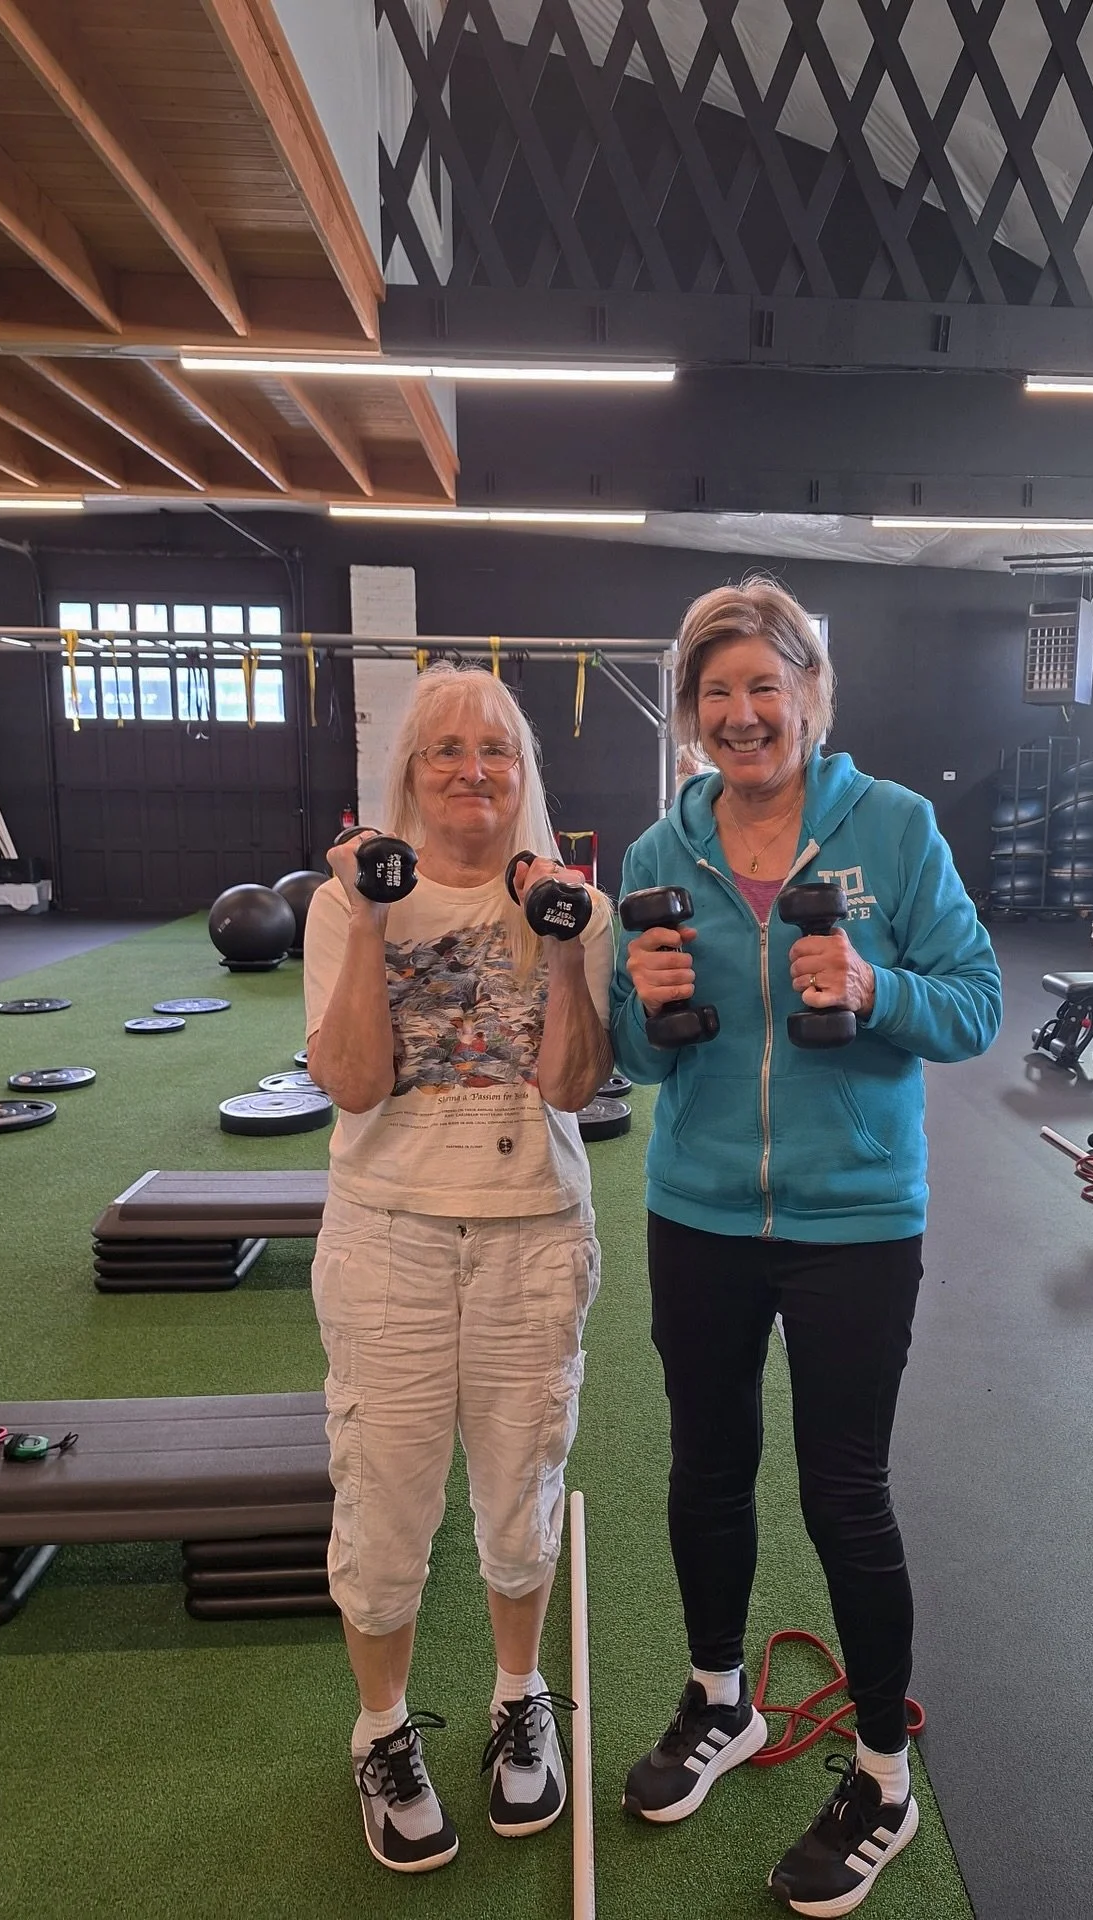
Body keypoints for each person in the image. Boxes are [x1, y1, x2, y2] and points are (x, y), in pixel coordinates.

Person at [610, 579, 1002, 1917]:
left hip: (855, 1219)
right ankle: (721, 1699)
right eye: (715, 693)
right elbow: (620, 1054)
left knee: (844, 1490)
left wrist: (879, 989)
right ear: (690, 715)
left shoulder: (894, 830)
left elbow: (979, 1004)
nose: (742, 714)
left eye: (765, 686)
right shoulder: (662, 852)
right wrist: (642, 1008)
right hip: (699, 1208)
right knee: (707, 1467)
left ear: (811, 696)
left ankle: (881, 1769)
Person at [304, 664, 614, 1875]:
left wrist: (573, 945)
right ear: (408, 773)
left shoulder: (565, 902)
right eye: (446, 750)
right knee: (384, 1503)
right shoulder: (349, 904)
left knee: (520, 1489)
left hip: (533, 1224)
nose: (473, 769)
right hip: (388, 1232)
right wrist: (374, 914)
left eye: (496, 749)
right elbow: (353, 1083)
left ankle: (517, 1695)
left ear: (524, 772)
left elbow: (577, 1088)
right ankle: (381, 1730)